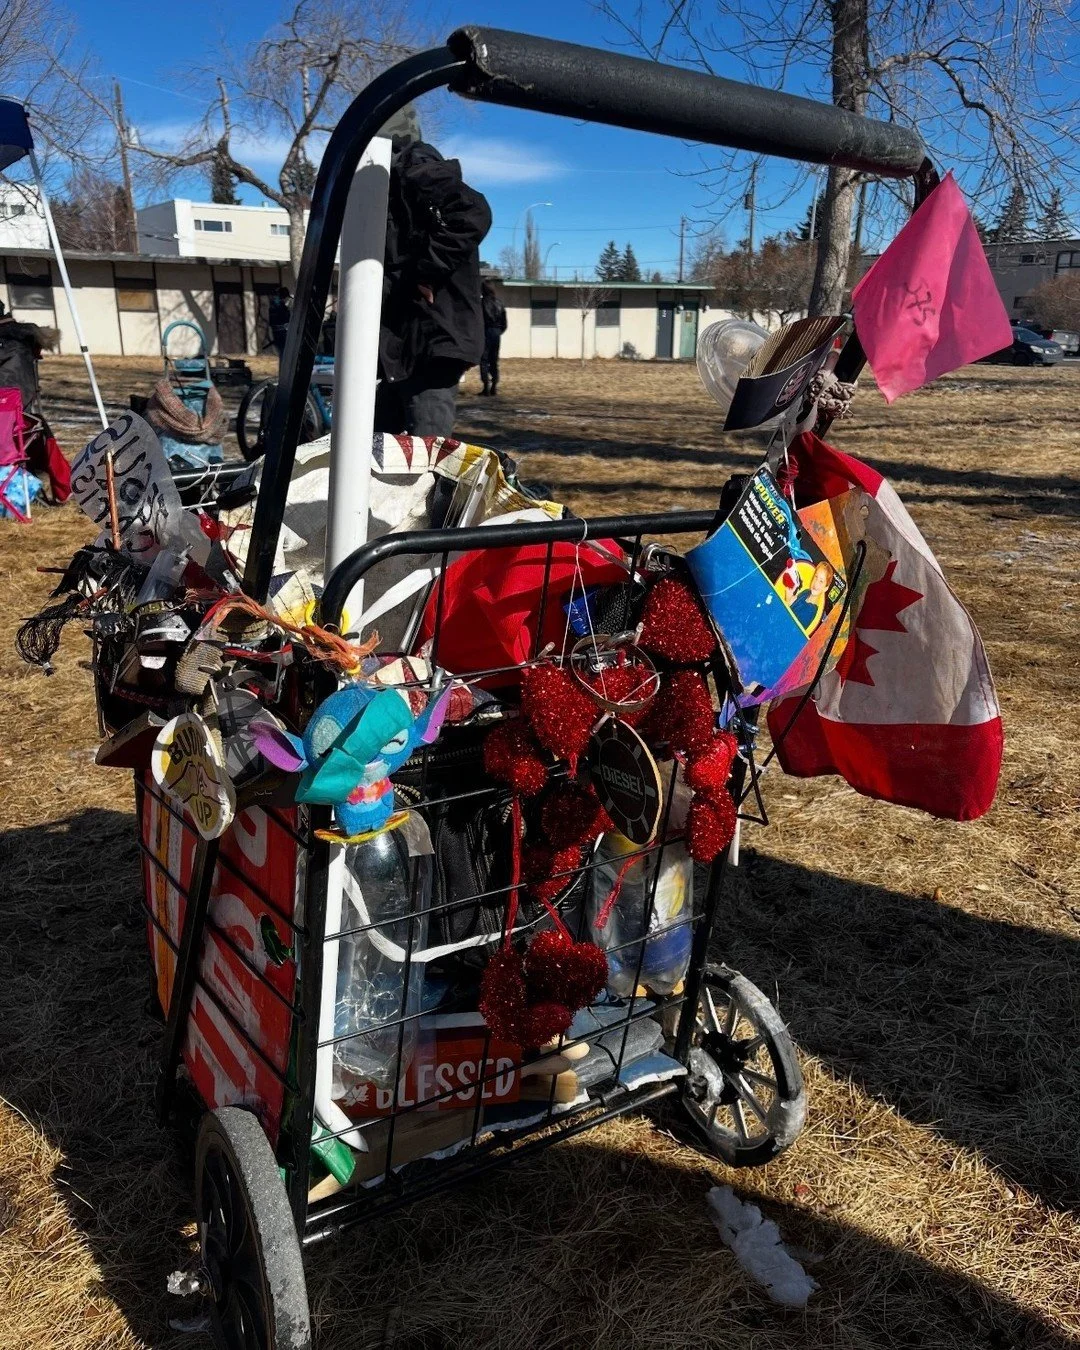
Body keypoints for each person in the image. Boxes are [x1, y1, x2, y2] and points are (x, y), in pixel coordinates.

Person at [375, 106, 492, 438]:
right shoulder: (392, 180)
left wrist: (426, 273)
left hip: (430, 342)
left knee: (425, 452)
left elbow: (473, 214)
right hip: (404, 347)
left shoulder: (415, 168)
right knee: (373, 446)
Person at [479, 281, 507, 396]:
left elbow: (478, 320)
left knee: (484, 360)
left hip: (485, 332)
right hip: (496, 332)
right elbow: (504, 324)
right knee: (494, 360)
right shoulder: (500, 303)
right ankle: (494, 386)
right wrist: (499, 332)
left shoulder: (481, 303)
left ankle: (486, 386)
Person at [268, 286, 291, 360]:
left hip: (277, 332)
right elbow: (284, 318)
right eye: (286, 297)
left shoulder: (274, 304)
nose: (286, 299)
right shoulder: (279, 306)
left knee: (282, 352)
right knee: (284, 353)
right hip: (281, 332)